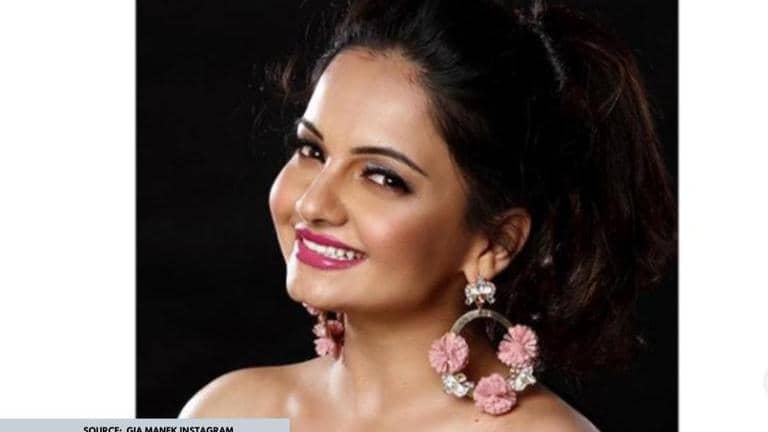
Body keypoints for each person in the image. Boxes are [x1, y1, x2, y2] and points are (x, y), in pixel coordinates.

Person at [180, 0, 675, 430]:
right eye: (312, 150)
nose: (313, 203)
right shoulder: (225, 410)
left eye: (382, 177)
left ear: (495, 243)